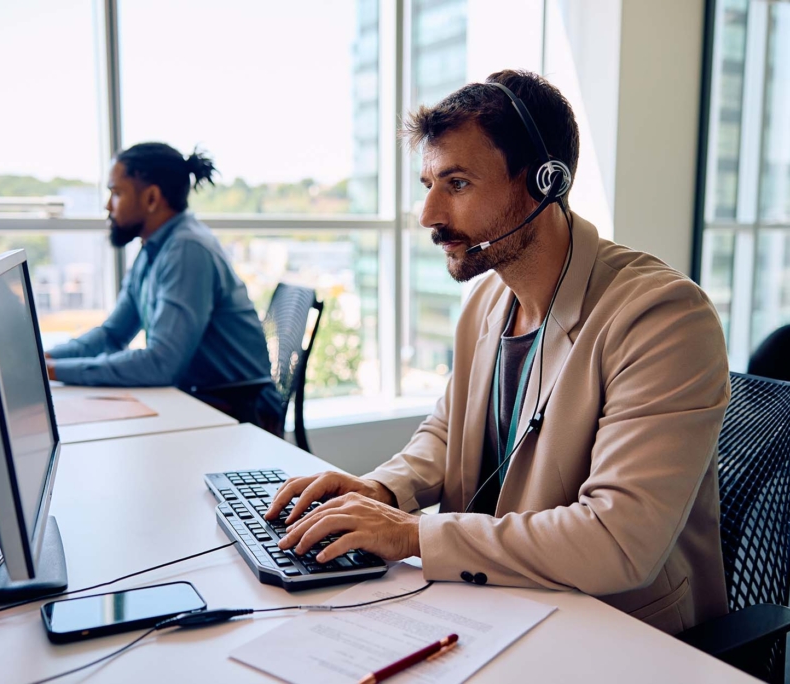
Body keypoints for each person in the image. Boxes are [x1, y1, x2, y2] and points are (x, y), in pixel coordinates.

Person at [265, 70, 730, 635]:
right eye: (428, 184)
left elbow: (618, 540)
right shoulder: (487, 299)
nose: (429, 215)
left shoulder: (662, 317)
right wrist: (381, 489)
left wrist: (412, 534)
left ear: (545, 182)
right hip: (498, 607)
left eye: (457, 184)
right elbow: (448, 432)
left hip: (618, 634)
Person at [45, 142, 280, 422]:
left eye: (117, 193)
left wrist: (55, 371)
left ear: (152, 198)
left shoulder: (187, 250)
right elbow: (112, 335)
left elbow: (161, 363)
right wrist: (44, 359)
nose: (108, 206)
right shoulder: (153, 248)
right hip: (198, 399)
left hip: (239, 410)